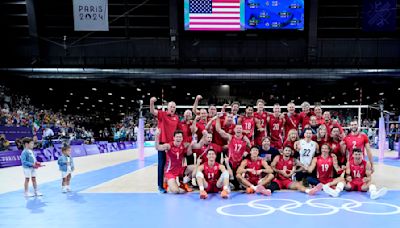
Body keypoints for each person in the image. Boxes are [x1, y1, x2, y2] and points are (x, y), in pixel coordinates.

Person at [150, 97, 179, 193]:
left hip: (172, 145)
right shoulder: (162, 114)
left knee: (172, 165)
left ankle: (170, 182)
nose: (172, 108)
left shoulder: (176, 118)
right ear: (167, 107)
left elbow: (178, 131)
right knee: (161, 165)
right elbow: (152, 111)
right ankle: (160, 186)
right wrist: (151, 102)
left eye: (174, 107)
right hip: (163, 143)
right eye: (171, 106)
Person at [155, 129, 195, 194]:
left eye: (180, 137)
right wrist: (156, 137)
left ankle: (185, 181)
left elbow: (198, 145)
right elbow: (158, 147)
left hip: (180, 170)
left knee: (197, 168)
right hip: (170, 172)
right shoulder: (168, 146)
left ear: (182, 138)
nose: (178, 138)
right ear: (173, 138)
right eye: (177, 137)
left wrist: (203, 137)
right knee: (176, 191)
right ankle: (167, 181)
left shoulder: (184, 145)